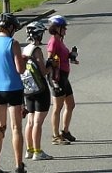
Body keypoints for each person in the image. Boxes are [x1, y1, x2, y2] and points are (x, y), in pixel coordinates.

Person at [0, 13, 27, 173]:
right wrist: (24, 60)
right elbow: (20, 69)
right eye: (15, 28)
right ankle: (19, 166)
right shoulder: (13, 43)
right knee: (16, 128)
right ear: (10, 28)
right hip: (13, 88)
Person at [22, 20, 53, 161]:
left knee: (30, 121)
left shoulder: (25, 49)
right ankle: (38, 152)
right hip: (40, 90)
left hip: (28, 89)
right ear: (39, 34)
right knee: (37, 123)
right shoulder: (37, 50)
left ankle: (29, 150)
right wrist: (51, 66)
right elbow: (44, 71)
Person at [46, 14, 78, 146]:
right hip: (57, 78)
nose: (65, 30)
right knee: (57, 107)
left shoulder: (59, 40)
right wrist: (53, 80)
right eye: (63, 27)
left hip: (64, 76)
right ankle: (55, 136)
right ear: (56, 28)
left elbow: (61, 56)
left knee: (70, 104)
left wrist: (70, 56)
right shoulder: (53, 41)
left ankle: (65, 131)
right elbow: (50, 60)